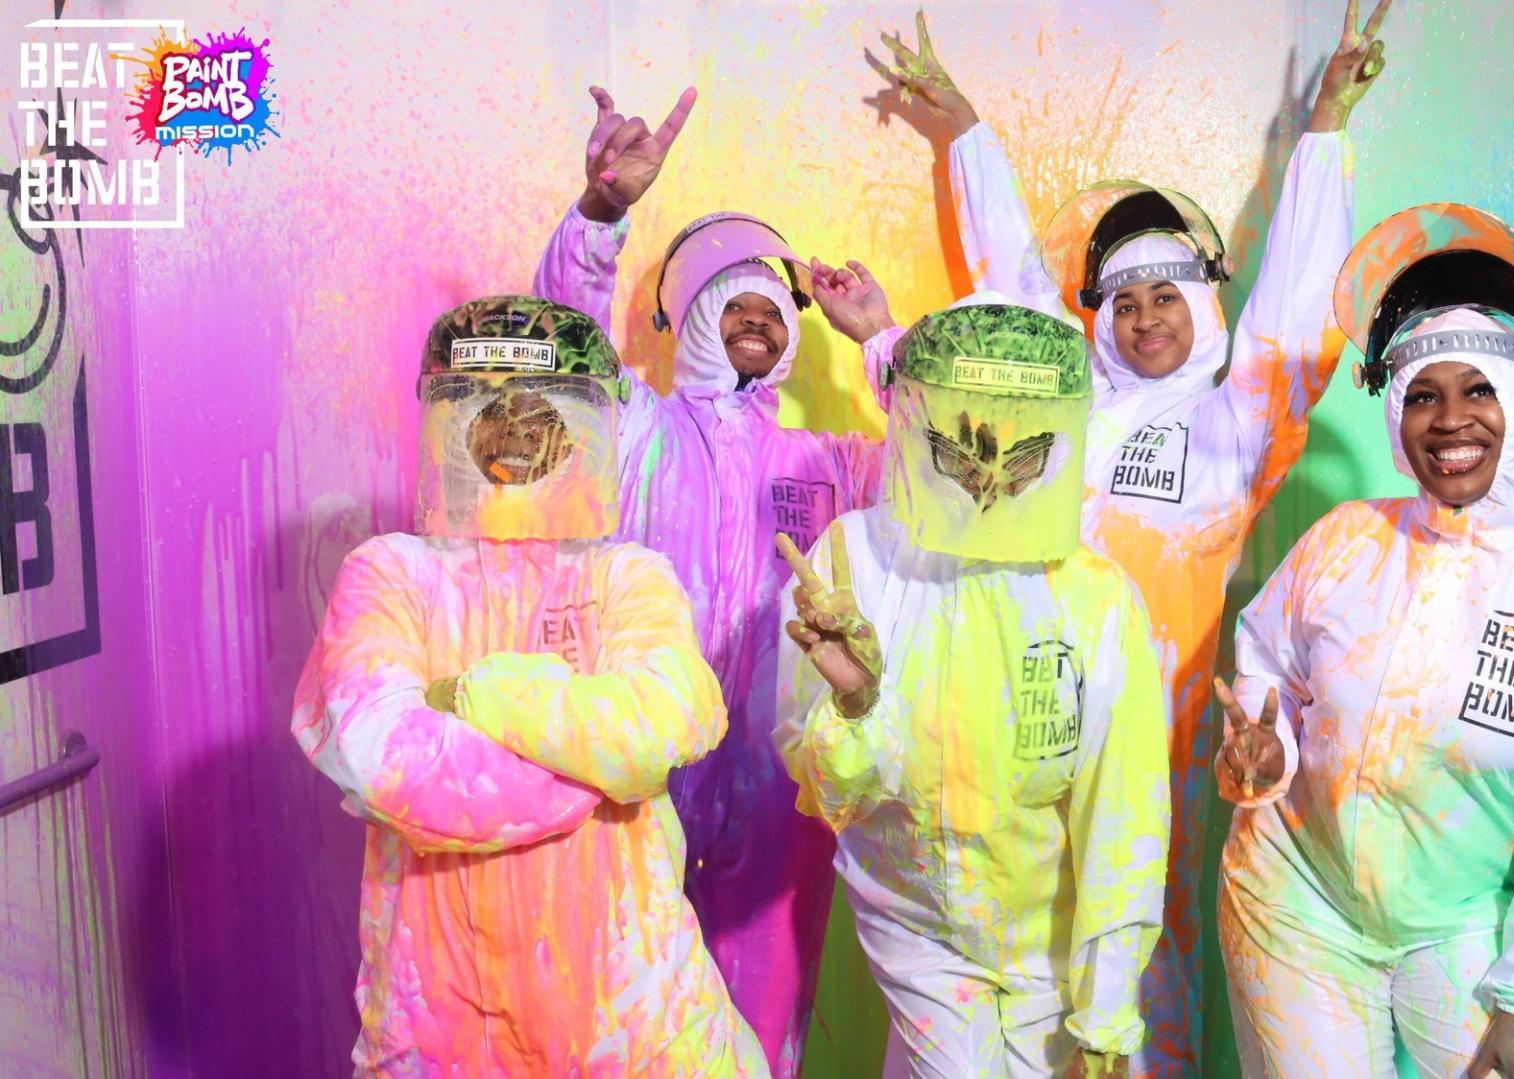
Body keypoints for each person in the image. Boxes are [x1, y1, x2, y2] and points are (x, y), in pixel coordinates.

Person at [864, 7, 1390, 1071]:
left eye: (1167, 294)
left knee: (1142, 965)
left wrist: (1325, 131)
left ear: (1204, 303)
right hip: (1025, 716)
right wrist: (962, 133)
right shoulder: (1069, 407)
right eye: (1125, 300)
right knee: (1012, 953)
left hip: (1155, 740)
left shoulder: (1234, 427)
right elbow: (1015, 289)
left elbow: (1293, 315)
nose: (1146, 316)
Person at [1213, 204, 1514, 1078]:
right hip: (1295, 904)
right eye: (1423, 395)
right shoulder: (1344, 540)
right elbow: (1267, 671)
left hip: (1458, 922)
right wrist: (1267, 752)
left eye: (1478, 390)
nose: (1451, 420)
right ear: (1397, 415)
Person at [291, 296, 765, 1075]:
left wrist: (478, 696)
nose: (515, 432)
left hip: (633, 1016)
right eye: (492, 409)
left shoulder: (627, 575)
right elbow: (387, 761)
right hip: (443, 1023)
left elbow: (662, 719)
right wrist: (597, 763)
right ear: (453, 419)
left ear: (578, 430)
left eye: (539, 412)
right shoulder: (389, 573)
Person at [530, 85, 892, 1076]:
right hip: (643, 770)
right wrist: (601, 212)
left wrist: (878, 338)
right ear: (691, 318)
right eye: (735, 305)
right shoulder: (633, 427)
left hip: (778, 791)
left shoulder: (829, 461)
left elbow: (938, 462)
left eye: (773, 312)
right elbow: (564, 343)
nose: (758, 324)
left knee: (763, 1024)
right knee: (624, 1012)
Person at [776, 298, 1170, 1078]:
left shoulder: (1094, 596)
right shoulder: (857, 562)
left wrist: (1107, 1007)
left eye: (1020, 439)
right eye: (962, 438)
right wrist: (857, 705)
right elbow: (825, 791)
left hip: (1047, 934)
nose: (988, 470)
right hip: (916, 921)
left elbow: (1121, 810)